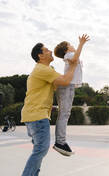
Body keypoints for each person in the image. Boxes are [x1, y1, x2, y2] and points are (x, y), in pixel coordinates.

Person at [21, 42, 78, 176]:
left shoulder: (46, 70)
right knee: (40, 150)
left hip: (33, 115)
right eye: (46, 50)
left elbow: (61, 82)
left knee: (39, 150)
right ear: (40, 56)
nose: (50, 51)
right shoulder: (42, 69)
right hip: (37, 116)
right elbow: (65, 81)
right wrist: (74, 65)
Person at [53, 34, 90, 156]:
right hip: (66, 86)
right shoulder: (68, 55)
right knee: (64, 114)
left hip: (69, 86)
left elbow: (76, 60)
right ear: (66, 49)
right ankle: (60, 142)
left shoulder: (70, 55)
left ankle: (61, 141)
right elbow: (74, 59)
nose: (73, 45)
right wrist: (81, 44)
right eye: (70, 44)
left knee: (65, 114)